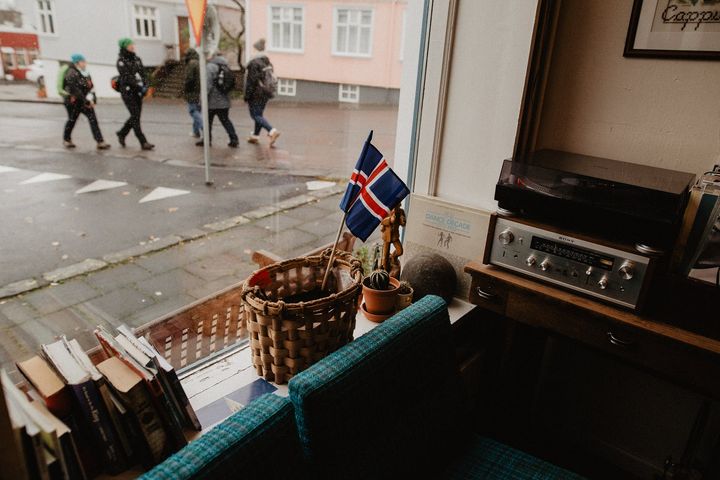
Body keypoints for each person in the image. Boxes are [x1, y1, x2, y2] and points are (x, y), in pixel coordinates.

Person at [61, 54, 110, 150]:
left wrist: (93, 98)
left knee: (93, 119)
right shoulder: (71, 73)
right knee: (72, 120)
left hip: (84, 101)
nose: (85, 63)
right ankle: (67, 139)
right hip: (73, 102)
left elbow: (91, 86)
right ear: (77, 63)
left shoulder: (86, 73)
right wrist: (86, 101)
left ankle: (100, 141)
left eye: (84, 61)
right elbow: (75, 90)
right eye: (82, 62)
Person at [115, 38, 154, 150]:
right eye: (130, 44)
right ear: (124, 46)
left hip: (138, 92)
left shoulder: (137, 59)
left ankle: (122, 133)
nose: (132, 46)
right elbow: (128, 78)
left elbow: (143, 73)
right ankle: (143, 142)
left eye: (132, 44)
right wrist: (140, 87)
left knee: (135, 116)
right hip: (128, 92)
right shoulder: (121, 61)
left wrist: (146, 85)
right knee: (135, 116)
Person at [196, 53, 239, 148]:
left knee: (207, 122)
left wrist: (202, 100)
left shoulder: (210, 67)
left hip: (212, 101)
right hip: (224, 100)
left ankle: (207, 140)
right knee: (225, 120)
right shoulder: (226, 66)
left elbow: (207, 86)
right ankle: (234, 139)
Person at [244, 40, 280, 146]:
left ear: (256, 49)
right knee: (259, 115)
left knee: (255, 115)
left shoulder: (254, 63)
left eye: (253, 48)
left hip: (256, 94)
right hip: (265, 93)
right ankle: (255, 136)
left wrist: (247, 95)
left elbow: (252, 81)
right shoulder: (267, 62)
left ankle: (272, 131)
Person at [183, 48, 202, 139]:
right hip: (200, 92)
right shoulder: (199, 62)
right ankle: (196, 131)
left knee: (193, 111)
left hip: (193, 91)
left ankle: (204, 128)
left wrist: (185, 90)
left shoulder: (191, 63)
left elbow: (189, 79)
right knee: (197, 111)